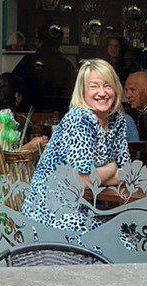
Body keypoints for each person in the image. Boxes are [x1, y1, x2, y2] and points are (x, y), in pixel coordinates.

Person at [22, 58, 128, 236]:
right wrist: (111, 169)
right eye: (94, 86)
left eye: (107, 86)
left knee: (132, 231)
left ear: (116, 89)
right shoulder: (79, 119)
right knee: (117, 238)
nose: (102, 93)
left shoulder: (118, 120)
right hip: (51, 210)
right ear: (83, 91)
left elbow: (126, 172)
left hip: (85, 205)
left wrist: (98, 175)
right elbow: (81, 181)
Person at [12, 25, 75, 114]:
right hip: (55, 113)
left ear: (40, 41)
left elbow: (13, 85)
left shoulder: (29, 61)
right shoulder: (66, 65)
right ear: (59, 42)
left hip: (29, 113)